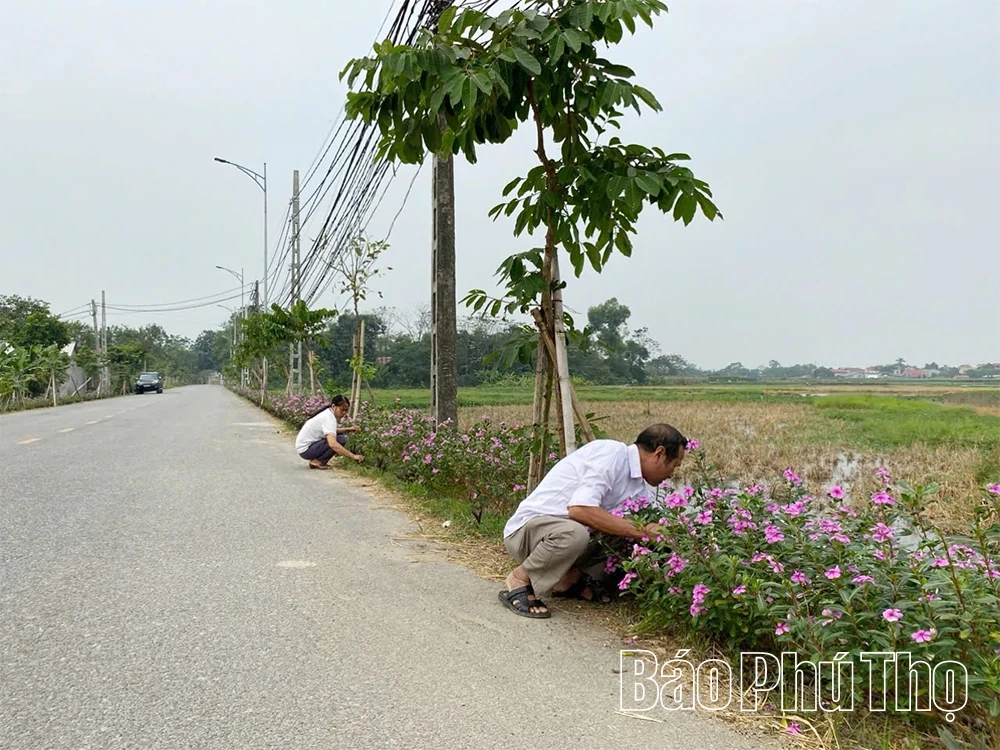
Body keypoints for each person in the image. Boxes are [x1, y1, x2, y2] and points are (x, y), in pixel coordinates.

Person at [498, 423, 688, 619]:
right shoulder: (611, 454)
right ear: (659, 453)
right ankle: (520, 578)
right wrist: (642, 530)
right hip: (527, 533)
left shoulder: (639, 486)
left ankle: (567, 581)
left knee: (627, 528)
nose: (671, 475)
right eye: (674, 465)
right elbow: (579, 510)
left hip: (558, 541)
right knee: (580, 532)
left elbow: (643, 527)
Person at [294, 394, 364, 469]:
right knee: (341, 439)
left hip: (305, 448)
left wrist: (349, 429)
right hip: (307, 450)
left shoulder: (327, 414)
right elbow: (332, 444)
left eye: (346, 410)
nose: (344, 413)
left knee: (340, 436)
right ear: (333, 406)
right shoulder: (329, 418)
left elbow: (331, 431)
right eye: (342, 410)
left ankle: (316, 460)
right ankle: (318, 461)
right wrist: (353, 456)